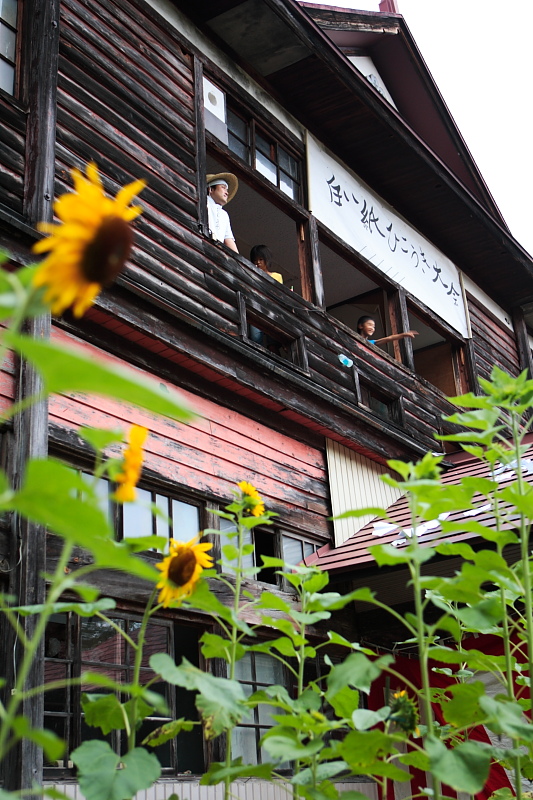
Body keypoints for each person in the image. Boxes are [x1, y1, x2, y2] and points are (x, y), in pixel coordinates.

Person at [206, 172, 239, 252]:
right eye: (223, 187)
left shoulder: (224, 214)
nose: (226, 192)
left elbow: (228, 239)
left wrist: (239, 259)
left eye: (226, 190)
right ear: (210, 189)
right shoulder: (204, 201)